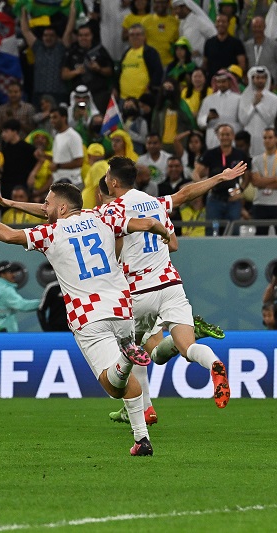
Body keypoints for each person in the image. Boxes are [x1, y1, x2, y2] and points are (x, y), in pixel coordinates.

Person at [0, 182, 171, 455]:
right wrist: (164, 233)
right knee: (128, 383)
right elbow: (145, 223)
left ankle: (127, 358)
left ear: (62, 208)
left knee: (113, 386)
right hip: (122, 309)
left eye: (47, 203)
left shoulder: (50, 233)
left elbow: (8, 235)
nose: (43, 208)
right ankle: (141, 440)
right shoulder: (101, 216)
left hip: (89, 317)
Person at [100, 157, 243, 422]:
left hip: (138, 291)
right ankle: (213, 363)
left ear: (114, 182)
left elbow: (73, 221)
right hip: (170, 285)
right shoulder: (155, 202)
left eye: (107, 175)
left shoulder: (112, 209)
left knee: (130, 351)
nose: (106, 179)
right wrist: (219, 178)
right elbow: (185, 195)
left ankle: (142, 409)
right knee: (187, 347)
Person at [192, 123, 250, 235]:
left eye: (227, 134)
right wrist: (204, 187)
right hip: (214, 199)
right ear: (218, 136)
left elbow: (247, 176)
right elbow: (195, 173)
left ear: (233, 136)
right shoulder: (211, 154)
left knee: (234, 232)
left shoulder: (240, 155)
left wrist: (240, 190)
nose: (225, 137)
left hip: (233, 200)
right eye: (222, 135)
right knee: (211, 231)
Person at [0, 261, 40, 332]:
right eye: (10, 272)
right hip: (6, 332)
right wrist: (44, 302)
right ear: (2, 274)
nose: (14, 275)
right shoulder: (6, 290)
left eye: (14, 272)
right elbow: (23, 305)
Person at [237, 67, 277, 157]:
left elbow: (269, 120)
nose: (260, 80)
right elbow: (243, 120)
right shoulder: (244, 97)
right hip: (249, 137)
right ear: (252, 79)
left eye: (263, 78)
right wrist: (253, 105)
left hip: (266, 138)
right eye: (257, 78)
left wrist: (259, 105)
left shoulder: (273, 98)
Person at [249, 127, 277, 235]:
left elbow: (259, 182)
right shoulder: (256, 159)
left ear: (276, 139)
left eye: (270, 137)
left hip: (276, 203)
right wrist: (275, 179)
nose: (267, 140)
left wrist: (262, 182)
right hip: (260, 203)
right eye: (265, 138)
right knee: (260, 237)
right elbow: (255, 182)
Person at [49, 107, 84, 188]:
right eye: (51, 118)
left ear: (64, 118)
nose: (52, 121)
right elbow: (59, 159)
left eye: (55, 117)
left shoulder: (73, 136)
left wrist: (58, 166)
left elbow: (79, 162)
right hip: (58, 183)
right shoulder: (57, 136)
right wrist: (43, 156)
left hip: (72, 184)